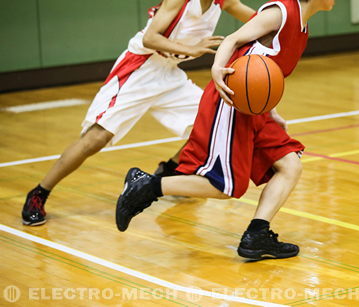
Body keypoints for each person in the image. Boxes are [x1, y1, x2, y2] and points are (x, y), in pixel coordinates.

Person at [115, 0, 335, 259]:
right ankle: (149, 186)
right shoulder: (280, 12)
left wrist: (272, 110)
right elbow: (232, 40)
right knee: (224, 186)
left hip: (254, 110)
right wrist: (218, 70)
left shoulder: (302, 25)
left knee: (290, 166)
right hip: (231, 103)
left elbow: (267, 73)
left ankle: (257, 236)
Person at [21, 0, 255, 226]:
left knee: (213, 123)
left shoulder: (224, 1)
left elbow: (257, 20)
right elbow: (150, 38)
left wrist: (283, 22)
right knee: (96, 138)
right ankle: (39, 193)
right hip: (140, 68)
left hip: (169, 73)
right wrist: (190, 49)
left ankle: (169, 169)